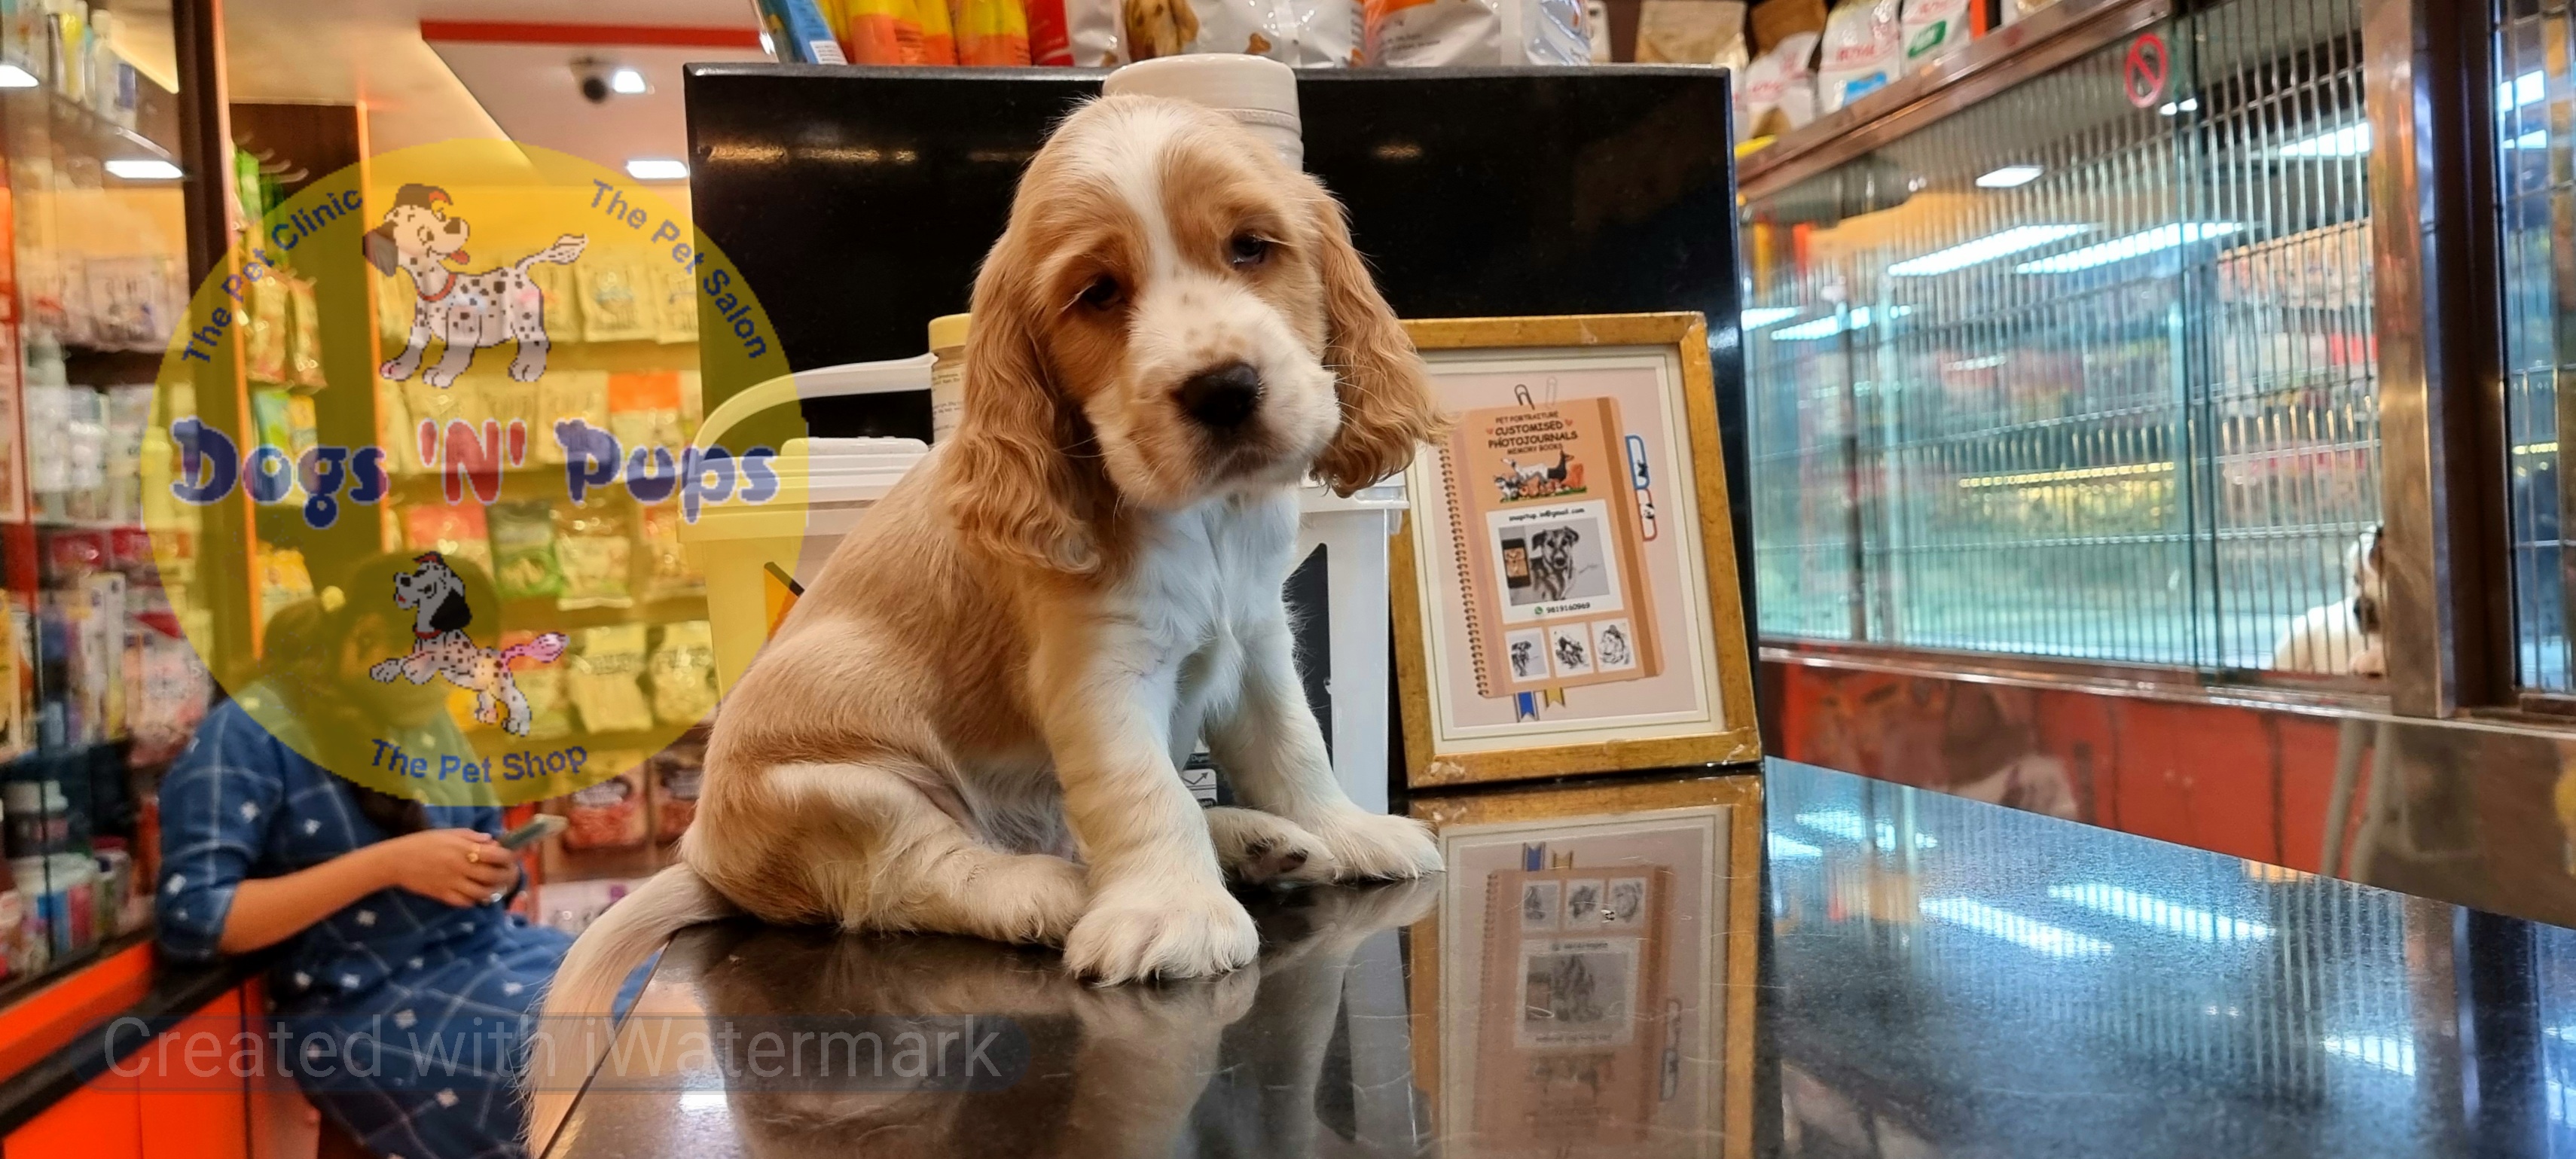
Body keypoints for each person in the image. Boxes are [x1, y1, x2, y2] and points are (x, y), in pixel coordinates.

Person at [157, 553, 592, 1158]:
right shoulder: (249, 734)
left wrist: (495, 869)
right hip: (361, 1001)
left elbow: (484, 846)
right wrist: (389, 864)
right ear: (365, 638)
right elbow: (198, 917)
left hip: (485, 952)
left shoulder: (426, 718)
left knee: (634, 991)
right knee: (580, 1059)